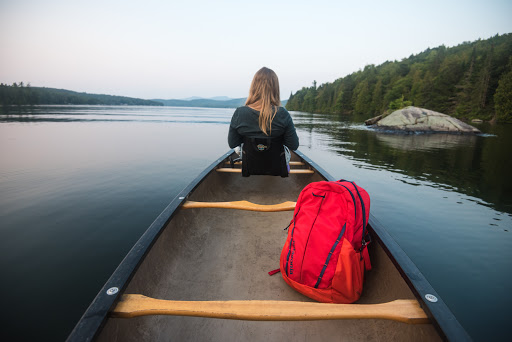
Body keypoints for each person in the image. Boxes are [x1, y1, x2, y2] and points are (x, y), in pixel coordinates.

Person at [228, 67, 299, 176]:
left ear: (253, 87)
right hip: (277, 167)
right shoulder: (283, 113)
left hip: (249, 166)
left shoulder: (239, 113)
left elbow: (233, 143)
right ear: (275, 88)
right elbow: (293, 145)